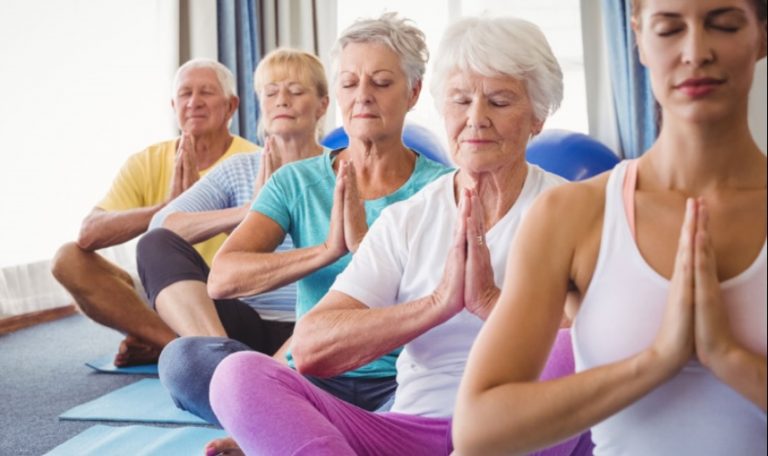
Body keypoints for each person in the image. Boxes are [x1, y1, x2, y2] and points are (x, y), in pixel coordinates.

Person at [206, 16, 593, 456]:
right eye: (460, 100)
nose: (475, 119)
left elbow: (603, 344)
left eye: (500, 102)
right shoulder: (408, 219)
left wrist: (488, 301)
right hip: (412, 429)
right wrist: (437, 304)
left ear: (538, 117)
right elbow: (312, 348)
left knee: (571, 349)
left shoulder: (574, 211)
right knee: (237, 377)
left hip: (516, 429)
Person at [453, 0, 768, 454]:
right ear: (638, 38)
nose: (696, 51)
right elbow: (479, 428)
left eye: (723, 24)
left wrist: (728, 358)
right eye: (669, 28)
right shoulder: (572, 214)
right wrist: (656, 361)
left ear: (761, 35)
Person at [166, 13, 449, 431]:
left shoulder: (442, 189)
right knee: (183, 362)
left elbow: (446, 301)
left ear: (413, 92)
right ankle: (335, 429)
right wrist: (326, 250)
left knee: (455, 400)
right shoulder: (297, 180)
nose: (363, 96)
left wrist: (367, 247)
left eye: (382, 83)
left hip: (402, 380)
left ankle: (295, 430)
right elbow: (222, 278)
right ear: (337, 93)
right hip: (310, 379)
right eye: (350, 83)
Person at [131, 49, 330, 422]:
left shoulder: (340, 171)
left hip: (315, 327)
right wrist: (251, 211)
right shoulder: (240, 169)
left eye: (295, 91)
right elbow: (162, 225)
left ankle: (250, 395)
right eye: (271, 93)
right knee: (155, 250)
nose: (282, 100)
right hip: (244, 327)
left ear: (322, 104)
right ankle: (230, 368)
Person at [50, 58, 256, 366]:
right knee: (67, 259)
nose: (194, 102)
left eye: (207, 93)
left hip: (227, 297)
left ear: (231, 106)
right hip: (162, 291)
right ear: (174, 105)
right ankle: (172, 343)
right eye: (185, 94)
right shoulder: (145, 161)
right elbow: (89, 233)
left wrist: (201, 215)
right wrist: (167, 209)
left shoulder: (252, 160)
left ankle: (176, 342)